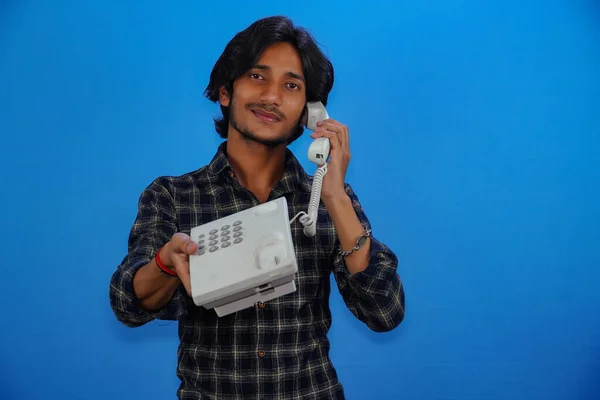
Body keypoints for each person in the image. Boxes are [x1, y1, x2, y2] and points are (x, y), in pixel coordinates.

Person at [109, 15, 405, 400]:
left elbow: (384, 312)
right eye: (257, 77)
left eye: (292, 85)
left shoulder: (329, 200)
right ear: (225, 91)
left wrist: (334, 198)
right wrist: (166, 263)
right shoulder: (172, 195)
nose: (272, 97)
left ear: (309, 112)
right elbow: (127, 304)